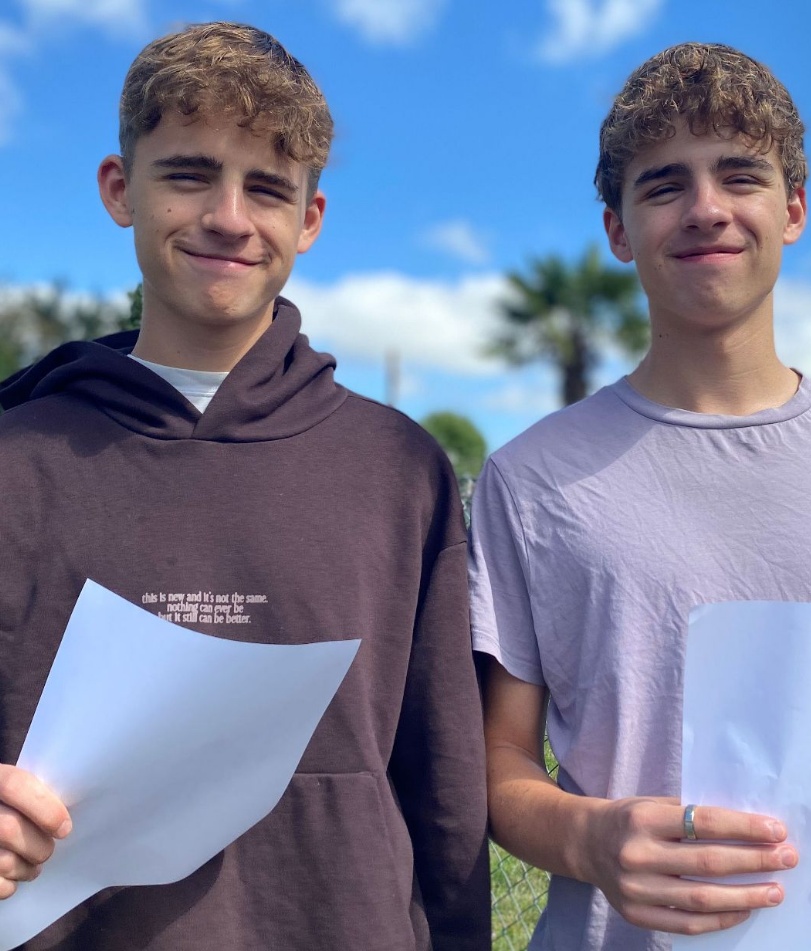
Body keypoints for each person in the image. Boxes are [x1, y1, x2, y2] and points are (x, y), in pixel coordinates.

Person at [0, 21, 489, 951]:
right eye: (188, 174)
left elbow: (446, 789)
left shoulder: (399, 469)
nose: (229, 215)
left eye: (267, 187)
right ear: (119, 189)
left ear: (308, 219)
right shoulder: (15, 461)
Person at [468, 41, 811, 951]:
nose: (706, 210)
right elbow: (498, 764)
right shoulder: (528, 480)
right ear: (615, 229)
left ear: (793, 209)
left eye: (739, 175)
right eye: (662, 186)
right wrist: (590, 835)